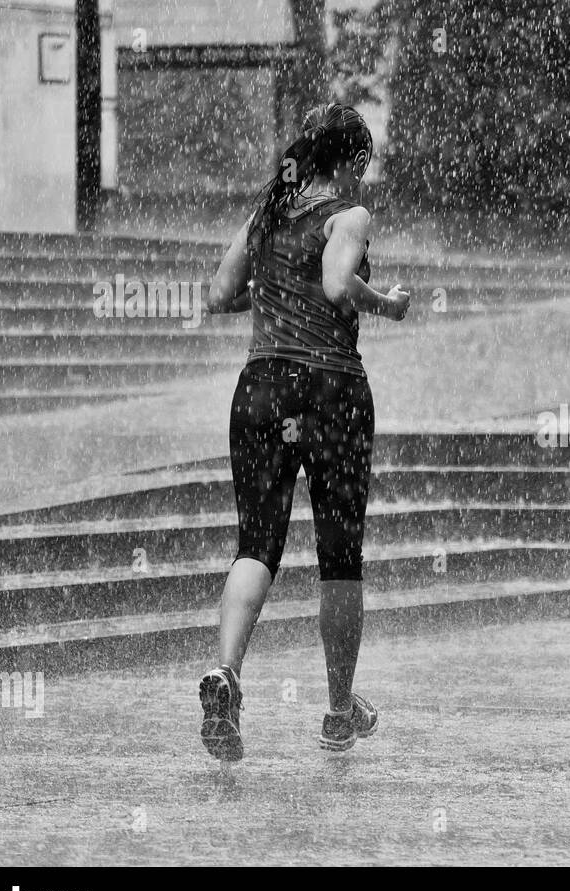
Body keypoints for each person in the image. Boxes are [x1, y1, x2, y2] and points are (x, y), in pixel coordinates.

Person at [198, 103, 410, 761]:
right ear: (347, 161)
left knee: (256, 543)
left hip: (260, 388)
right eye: (361, 166)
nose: (361, 182)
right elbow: (337, 281)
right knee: (340, 556)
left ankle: (226, 673)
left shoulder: (267, 213)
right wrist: (390, 305)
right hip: (329, 394)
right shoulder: (348, 217)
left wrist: (269, 296)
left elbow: (219, 292)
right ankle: (339, 711)